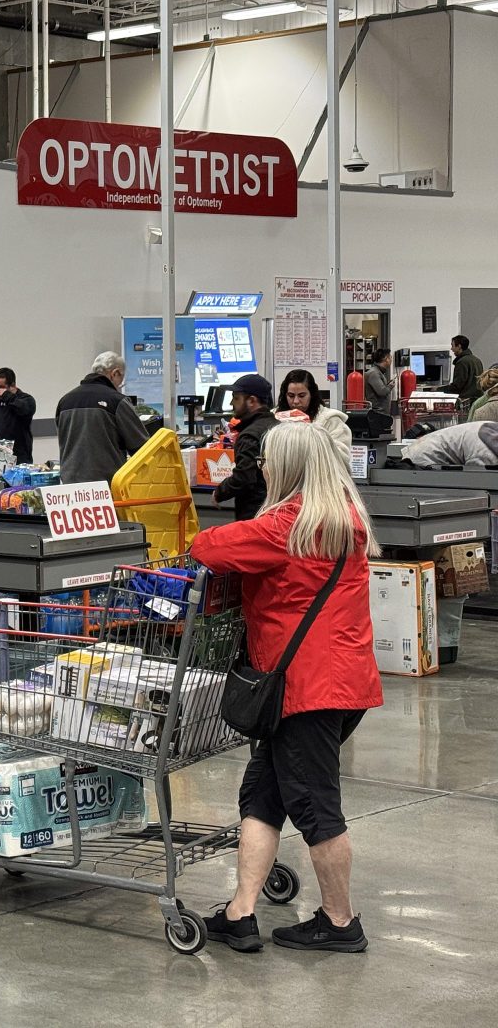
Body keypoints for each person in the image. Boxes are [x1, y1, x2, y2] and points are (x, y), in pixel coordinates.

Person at [192, 421, 383, 953]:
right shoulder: (346, 520)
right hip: (344, 682)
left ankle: (341, 922)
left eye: (269, 460)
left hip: (303, 688)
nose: (263, 468)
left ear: (291, 467)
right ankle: (241, 912)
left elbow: (206, 544)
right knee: (264, 792)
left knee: (315, 804)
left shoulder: (286, 527)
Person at [54, 351, 148, 485]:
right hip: (106, 487)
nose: (120, 385)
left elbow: (65, 441)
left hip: (71, 484)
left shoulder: (65, 401)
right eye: (121, 379)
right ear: (115, 373)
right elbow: (141, 447)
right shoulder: (117, 401)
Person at [213, 373, 278, 521]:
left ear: (252, 401)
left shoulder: (250, 435)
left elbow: (244, 477)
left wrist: (220, 492)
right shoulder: (278, 427)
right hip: (276, 511)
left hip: (253, 513)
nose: (231, 403)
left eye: (236, 398)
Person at [277, 369, 352, 457]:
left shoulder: (330, 420)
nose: (296, 401)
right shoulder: (275, 416)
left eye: (302, 396)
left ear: (312, 394)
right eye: (291, 396)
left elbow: (342, 456)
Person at [0, 367, 37, 463]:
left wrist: (7, 396)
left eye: (0, 387)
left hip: (17, 459)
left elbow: (24, 410)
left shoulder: (26, 400)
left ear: (12, 385)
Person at [401, 421, 498, 467]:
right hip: (424, 457)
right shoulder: (486, 452)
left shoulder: (492, 431)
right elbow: (479, 479)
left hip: (427, 450)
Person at [444, 335, 483, 406]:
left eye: (452, 346)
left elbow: (457, 386)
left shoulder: (462, 362)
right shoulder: (477, 360)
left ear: (459, 346)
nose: (451, 349)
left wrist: (440, 390)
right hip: (478, 400)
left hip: (466, 402)